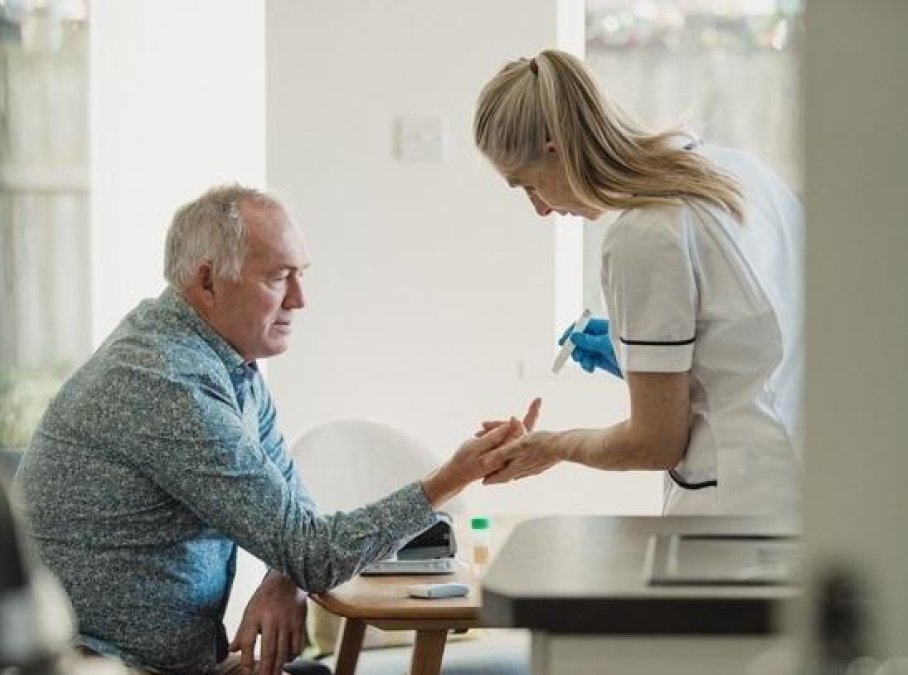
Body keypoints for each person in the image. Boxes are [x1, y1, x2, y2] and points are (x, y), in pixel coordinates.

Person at [13, 185, 527, 674]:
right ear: (207, 281)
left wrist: (285, 577)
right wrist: (452, 476)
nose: (299, 299)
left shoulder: (228, 366)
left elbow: (296, 523)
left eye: (301, 274)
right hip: (100, 664)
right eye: (279, 277)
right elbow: (314, 551)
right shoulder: (165, 380)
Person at [473, 49, 804, 516]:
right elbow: (756, 337)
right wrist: (644, 357)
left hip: (740, 511)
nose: (541, 209)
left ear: (555, 147)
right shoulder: (738, 172)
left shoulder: (643, 234)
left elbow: (654, 444)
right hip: (809, 482)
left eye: (528, 185)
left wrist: (552, 445)